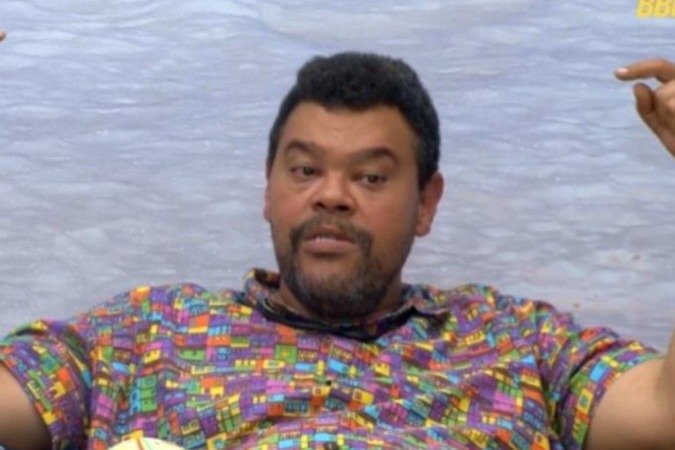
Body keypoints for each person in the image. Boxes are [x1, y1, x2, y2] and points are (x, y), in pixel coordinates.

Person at [0, 28, 674, 450]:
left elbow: (660, 418)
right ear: (268, 190)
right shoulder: (142, 334)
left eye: (370, 177)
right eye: (304, 170)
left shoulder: (516, 342)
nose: (331, 195)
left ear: (425, 203)